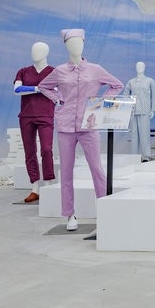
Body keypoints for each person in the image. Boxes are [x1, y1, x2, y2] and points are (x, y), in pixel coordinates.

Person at [38, 29, 124, 231]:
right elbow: (43, 86)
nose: (75, 46)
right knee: (66, 172)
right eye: (71, 43)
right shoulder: (60, 71)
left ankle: (104, 211)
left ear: (84, 44)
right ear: (66, 46)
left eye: (78, 42)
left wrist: (98, 104)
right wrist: (58, 99)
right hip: (65, 125)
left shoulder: (95, 69)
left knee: (97, 170)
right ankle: (69, 214)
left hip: (89, 125)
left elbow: (117, 85)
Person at [13, 42, 56, 203]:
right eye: (33, 50)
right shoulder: (23, 71)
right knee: (29, 151)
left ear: (46, 52)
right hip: (26, 116)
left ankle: (48, 184)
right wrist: (39, 89)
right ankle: (35, 187)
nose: (35, 53)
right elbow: (17, 90)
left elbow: (58, 91)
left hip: (46, 115)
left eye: (39, 50)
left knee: (46, 149)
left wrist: (35, 89)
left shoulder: (53, 72)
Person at [124, 61, 155, 162]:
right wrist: (127, 107)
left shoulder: (150, 81)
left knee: (144, 134)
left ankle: (146, 156)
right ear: (135, 68)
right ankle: (134, 156)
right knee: (134, 135)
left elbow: (154, 96)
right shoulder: (131, 82)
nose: (139, 68)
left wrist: (153, 109)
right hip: (134, 111)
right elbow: (125, 94)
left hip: (145, 111)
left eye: (141, 66)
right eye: (138, 66)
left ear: (144, 68)